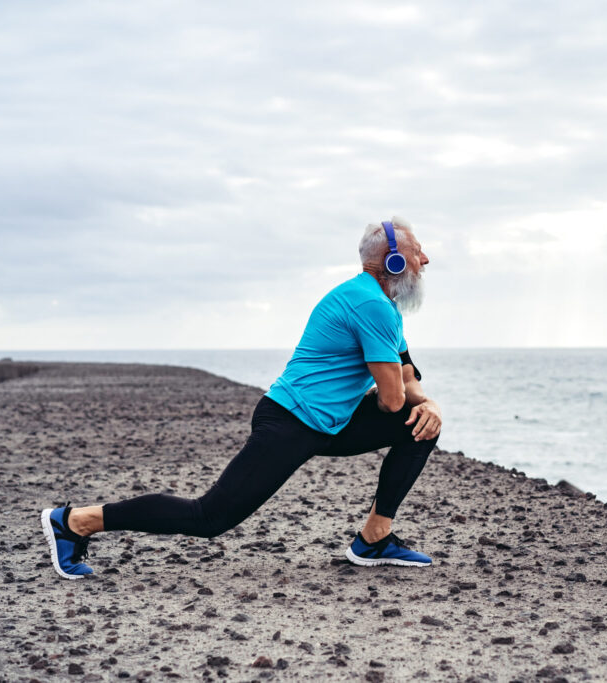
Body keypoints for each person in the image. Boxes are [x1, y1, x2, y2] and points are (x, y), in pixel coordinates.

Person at [41, 216, 443, 579]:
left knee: (421, 426)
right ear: (392, 261)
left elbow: (408, 379)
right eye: (416, 252)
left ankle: (374, 538)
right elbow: (393, 401)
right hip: (291, 422)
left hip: (329, 422)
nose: (424, 260)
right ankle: (74, 522)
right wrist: (401, 399)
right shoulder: (370, 304)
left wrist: (428, 404)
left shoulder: (384, 307)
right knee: (208, 517)